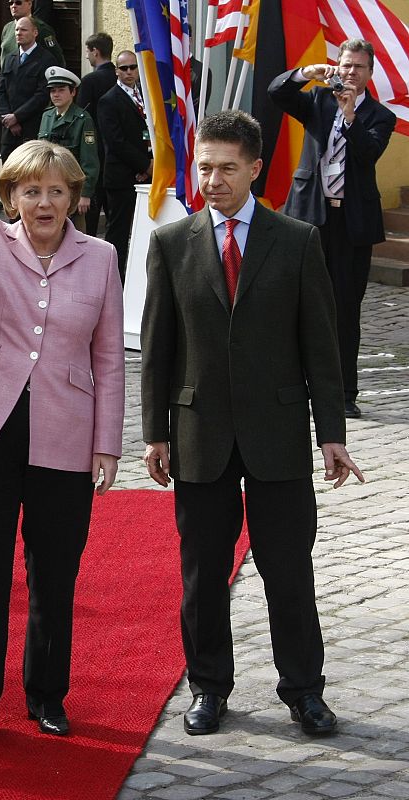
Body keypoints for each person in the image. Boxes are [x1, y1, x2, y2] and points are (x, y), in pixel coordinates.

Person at [140, 109, 364, 739]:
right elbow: (158, 346)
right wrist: (154, 431)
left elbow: (320, 348)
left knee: (289, 571)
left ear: (256, 169)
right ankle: (209, 686)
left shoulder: (296, 241)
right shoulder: (170, 242)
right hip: (199, 434)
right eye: (203, 166)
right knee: (202, 573)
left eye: (226, 168)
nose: (212, 180)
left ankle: (304, 690)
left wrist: (332, 436)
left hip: (278, 436)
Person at [0, 111, 125, 746]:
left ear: (75, 196)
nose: (44, 202)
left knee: (53, 572)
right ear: (11, 196)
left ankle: (46, 696)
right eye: (31, 191)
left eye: (57, 190)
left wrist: (107, 443)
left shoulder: (100, 258)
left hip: (65, 428)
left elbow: (109, 358)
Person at [268, 39, 395, 419]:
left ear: (369, 73)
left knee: (344, 310)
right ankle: (294, 386)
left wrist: (352, 116)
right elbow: (277, 93)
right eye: (345, 65)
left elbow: (368, 153)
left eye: (358, 67)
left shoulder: (379, 116)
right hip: (310, 216)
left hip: (350, 224)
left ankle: (343, 394)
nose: (350, 73)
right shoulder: (319, 101)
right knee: (298, 304)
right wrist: (307, 74)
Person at [99, 50, 151, 282]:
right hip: (122, 176)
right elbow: (115, 141)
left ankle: (138, 276)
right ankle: (113, 279)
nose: (129, 72)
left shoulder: (146, 95)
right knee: (118, 232)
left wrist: (151, 165)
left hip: (147, 173)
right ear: (116, 71)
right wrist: (144, 165)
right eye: (124, 68)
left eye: (133, 67)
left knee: (144, 229)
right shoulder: (109, 100)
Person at [38, 66, 99, 234]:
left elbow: (89, 161)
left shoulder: (82, 119)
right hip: (47, 185)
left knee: (74, 235)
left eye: (61, 90)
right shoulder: (47, 116)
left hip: (71, 188)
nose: (56, 95)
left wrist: (85, 193)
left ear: (73, 92)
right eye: (53, 91)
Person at [0, 15, 57, 164]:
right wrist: (9, 119)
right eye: (16, 30)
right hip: (9, 131)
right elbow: (0, 92)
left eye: (23, 30)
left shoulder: (46, 59)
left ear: (35, 33)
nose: (18, 33)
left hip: (31, 129)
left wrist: (18, 116)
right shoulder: (10, 58)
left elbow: (42, 95)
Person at [77, 32, 116, 236]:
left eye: (87, 51)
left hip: (95, 150)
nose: (86, 56)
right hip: (117, 154)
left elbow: (82, 117)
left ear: (96, 51)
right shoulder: (120, 78)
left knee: (91, 212)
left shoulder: (90, 81)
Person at [0, 0, 63, 69]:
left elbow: (57, 58)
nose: (14, 6)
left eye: (18, 3)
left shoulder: (41, 28)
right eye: (11, 3)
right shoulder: (7, 28)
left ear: (29, 4)